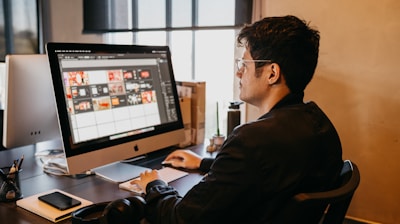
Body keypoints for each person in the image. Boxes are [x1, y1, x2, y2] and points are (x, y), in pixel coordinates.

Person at [132, 15, 343, 223]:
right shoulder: (320, 125)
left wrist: (155, 185)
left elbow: (181, 218)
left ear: (272, 73)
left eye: (245, 65)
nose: (239, 74)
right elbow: (265, 171)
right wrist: (204, 163)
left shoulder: (251, 139)